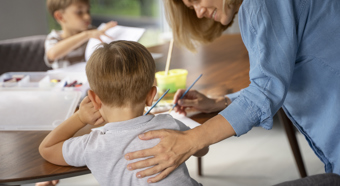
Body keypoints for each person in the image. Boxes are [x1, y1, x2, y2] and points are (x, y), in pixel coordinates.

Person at [124, 0, 340, 184]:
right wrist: (222, 101)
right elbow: (273, 81)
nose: (199, 13)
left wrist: (189, 141)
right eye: (192, 7)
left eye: (196, 1)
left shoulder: (259, 5)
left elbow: (265, 94)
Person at [38, 40, 208, 186]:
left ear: (94, 99)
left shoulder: (92, 145)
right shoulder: (169, 124)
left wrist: (80, 118)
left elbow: (47, 148)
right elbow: (202, 148)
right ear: (151, 96)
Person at [44, 0, 117, 69]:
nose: (87, 16)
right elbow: (52, 54)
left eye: (88, 11)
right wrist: (86, 35)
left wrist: (104, 31)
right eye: (79, 12)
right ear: (60, 16)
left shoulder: (92, 32)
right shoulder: (54, 37)